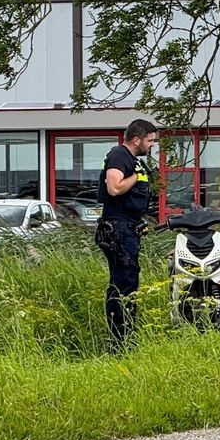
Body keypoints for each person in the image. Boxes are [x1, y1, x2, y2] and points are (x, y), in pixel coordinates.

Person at [95, 118, 158, 349]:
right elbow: (113, 187)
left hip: (128, 228)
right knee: (123, 285)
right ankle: (121, 342)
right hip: (118, 230)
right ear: (136, 139)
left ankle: (126, 337)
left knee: (128, 283)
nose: (152, 145)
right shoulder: (119, 156)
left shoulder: (132, 160)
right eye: (150, 141)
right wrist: (134, 177)